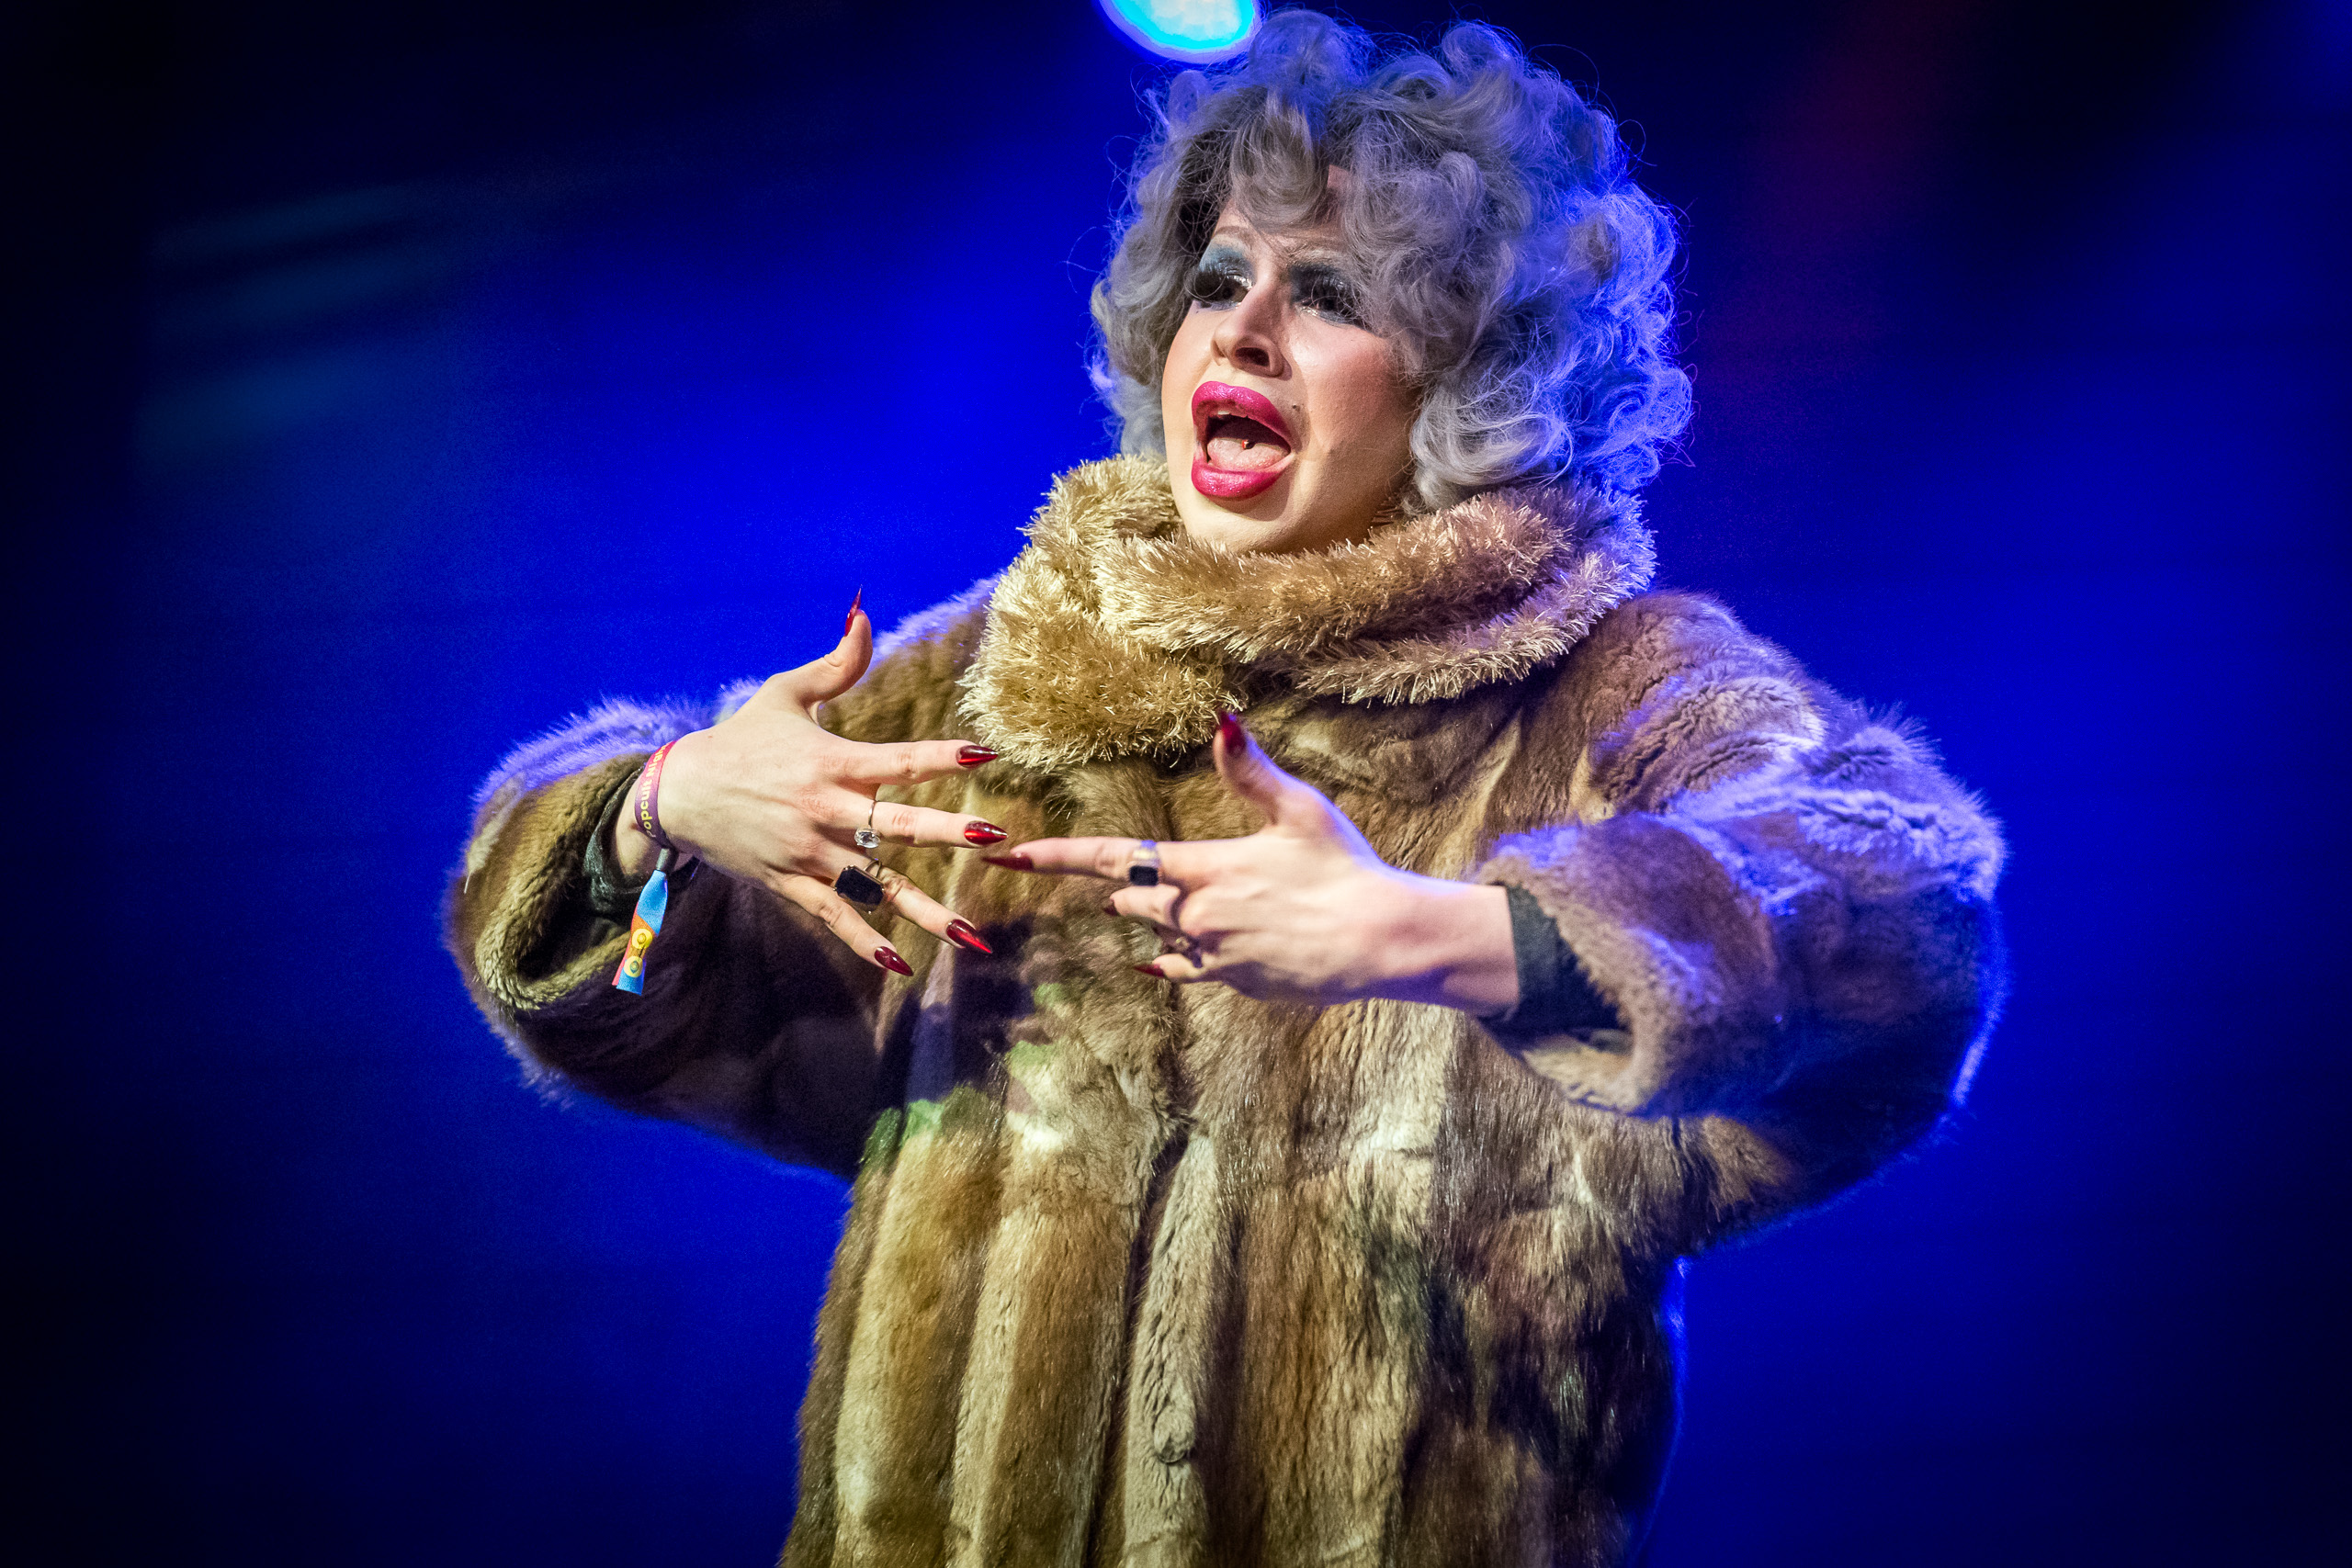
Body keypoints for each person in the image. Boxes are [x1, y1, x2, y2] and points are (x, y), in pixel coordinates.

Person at [447, 14, 2005, 1565]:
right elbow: (617, 998)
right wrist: (658, 812)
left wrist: (1438, 936)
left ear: (1469, 380)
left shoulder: (1603, 684)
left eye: (1329, 295)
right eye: (1218, 280)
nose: (1242, 332)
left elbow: (1904, 918)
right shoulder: (1018, 667)